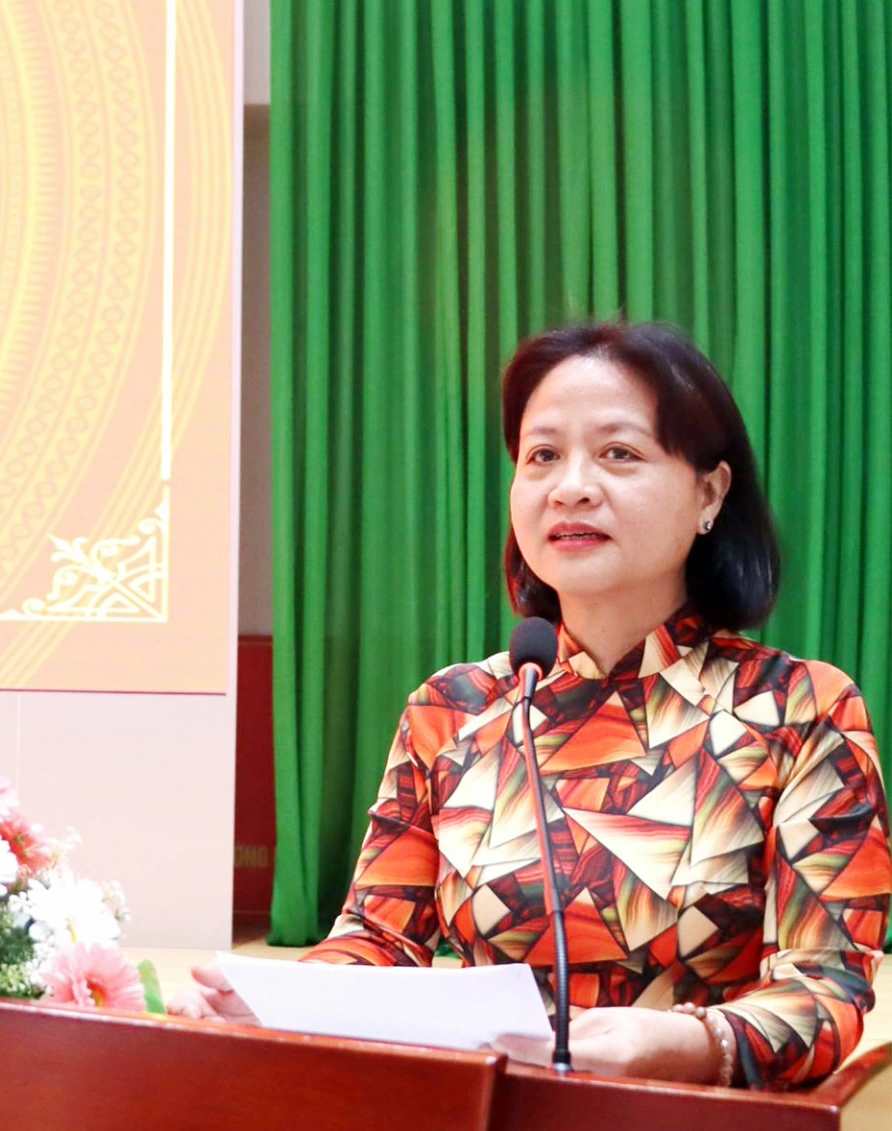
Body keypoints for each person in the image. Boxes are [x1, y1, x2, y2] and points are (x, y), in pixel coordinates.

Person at [173, 322, 891, 1090]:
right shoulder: (455, 710)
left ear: (708, 493)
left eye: (619, 453)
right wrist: (278, 999)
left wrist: (686, 1042)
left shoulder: (798, 710)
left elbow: (825, 989)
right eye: (542, 455)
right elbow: (378, 940)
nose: (570, 486)